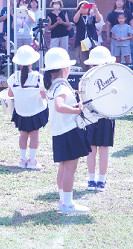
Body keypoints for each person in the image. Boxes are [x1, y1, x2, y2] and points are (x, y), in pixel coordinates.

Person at [44, 47, 91, 214]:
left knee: (63, 168)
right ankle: (68, 204)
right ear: (65, 68)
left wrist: (73, 107)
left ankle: (63, 200)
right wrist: (77, 110)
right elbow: (59, 106)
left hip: (59, 132)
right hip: (69, 132)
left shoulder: (52, 87)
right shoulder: (62, 87)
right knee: (70, 168)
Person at [82, 46, 117, 192]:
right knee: (103, 149)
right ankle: (101, 181)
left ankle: (91, 180)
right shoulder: (113, 76)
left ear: (91, 63)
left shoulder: (86, 77)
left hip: (91, 117)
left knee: (91, 149)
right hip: (106, 117)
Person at [7, 46, 48, 169]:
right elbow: (43, 95)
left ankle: (22, 160)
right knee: (34, 134)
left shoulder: (13, 77)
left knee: (23, 134)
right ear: (32, 62)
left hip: (20, 111)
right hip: (35, 111)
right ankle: (32, 161)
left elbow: (10, 94)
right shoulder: (38, 77)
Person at [73, 0, 102, 70]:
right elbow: (75, 20)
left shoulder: (91, 17)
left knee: (93, 58)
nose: (85, 9)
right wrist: (80, 10)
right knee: (83, 59)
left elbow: (98, 20)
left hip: (91, 41)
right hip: (81, 41)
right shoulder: (79, 17)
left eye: (86, 7)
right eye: (83, 7)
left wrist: (95, 10)